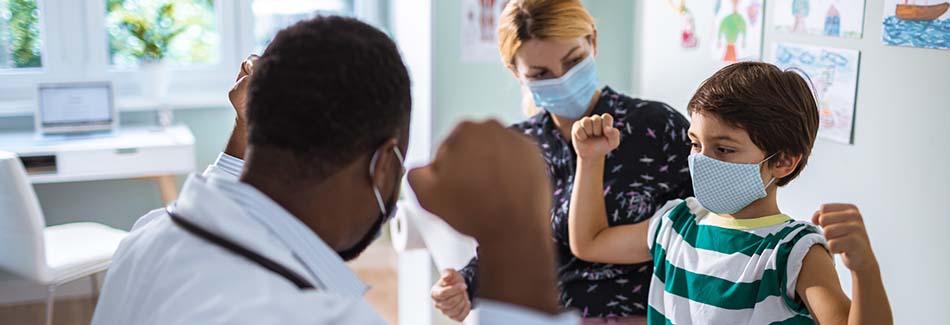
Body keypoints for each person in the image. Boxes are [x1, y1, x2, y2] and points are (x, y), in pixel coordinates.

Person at [91, 16, 577, 324]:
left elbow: (225, 197)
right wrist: (515, 232)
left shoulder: (147, 238)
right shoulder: (317, 317)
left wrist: (243, 135)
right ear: (383, 165)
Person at [567, 62, 893, 324]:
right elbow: (590, 242)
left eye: (724, 149)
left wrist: (864, 269)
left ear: (782, 161)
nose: (702, 160)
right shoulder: (676, 224)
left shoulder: (793, 251)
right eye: (696, 144)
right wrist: (590, 159)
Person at [432, 0, 693, 322]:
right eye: (541, 74)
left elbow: (705, 229)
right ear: (516, 72)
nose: (563, 80)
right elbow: (509, 247)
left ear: (592, 42)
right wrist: (464, 285)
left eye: (574, 62)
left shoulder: (655, 127)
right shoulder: (519, 147)